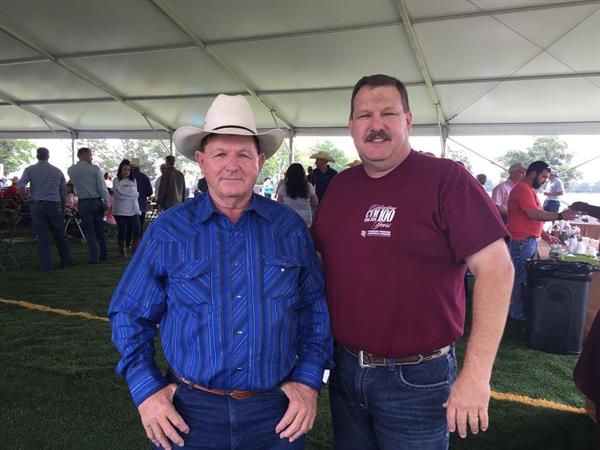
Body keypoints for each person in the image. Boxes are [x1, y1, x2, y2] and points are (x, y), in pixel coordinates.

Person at [108, 93, 333, 450]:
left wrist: (307, 382)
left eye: (243, 154)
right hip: (188, 413)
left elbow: (314, 310)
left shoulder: (288, 229)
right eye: (220, 154)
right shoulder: (170, 230)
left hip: (275, 412)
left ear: (259, 161)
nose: (232, 165)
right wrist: (147, 390)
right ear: (201, 161)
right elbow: (129, 313)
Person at [311, 74, 515, 449]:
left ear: (408, 120)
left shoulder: (446, 179)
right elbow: (319, 265)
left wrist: (477, 375)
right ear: (351, 127)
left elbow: (497, 269)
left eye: (388, 113)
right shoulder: (340, 187)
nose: (376, 125)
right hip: (345, 370)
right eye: (364, 115)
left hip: (419, 379)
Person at [507, 160, 577, 322]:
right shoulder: (523, 189)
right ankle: (516, 313)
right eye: (544, 177)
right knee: (518, 279)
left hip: (526, 240)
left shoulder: (528, 190)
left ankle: (517, 310)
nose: (545, 180)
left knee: (521, 277)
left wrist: (545, 236)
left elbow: (534, 217)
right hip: (521, 242)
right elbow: (533, 214)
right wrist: (559, 215)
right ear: (533, 174)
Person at [17, 147, 72, 271]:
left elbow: (20, 185)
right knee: (60, 234)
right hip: (54, 204)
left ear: (37, 156)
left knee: (42, 236)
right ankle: (66, 261)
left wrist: (25, 198)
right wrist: (63, 206)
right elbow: (63, 191)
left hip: (37, 204)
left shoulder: (30, 169)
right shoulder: (57, 171)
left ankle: (46, 265)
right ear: (48, 156)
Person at [68, 147, 110, 264]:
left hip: (82, 202)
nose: (91, 156)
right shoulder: (94, 169)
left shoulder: (71, 170)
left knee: (89, 230)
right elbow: (102, 187)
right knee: (99, 229)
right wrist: (107, 202)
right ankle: (104, 254)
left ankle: (94, 257)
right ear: (85, 154)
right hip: (95, 201)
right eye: (90, 154)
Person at [112, 159, 141, 257]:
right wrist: (131, 195)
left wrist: (129, 195)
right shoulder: (116, 180)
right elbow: (119, 196)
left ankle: (134, 249)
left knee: (137, 229)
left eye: (128, 170)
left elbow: (136, 195)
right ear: (120, 170)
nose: (127, 171)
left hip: (133, 210)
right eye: (124, 169)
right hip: (120, 210)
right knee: (122, 230)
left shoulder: (134, 180)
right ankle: (122, 251)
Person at [129, 158, 153, 233]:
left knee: (129, 229)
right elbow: (150, 192)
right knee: (139, 227)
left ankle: (128, 243)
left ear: (131, 166)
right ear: (139, 167)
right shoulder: (145, 177)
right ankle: (139, 243)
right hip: (141, 206)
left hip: (129, 207)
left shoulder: (128, 177)